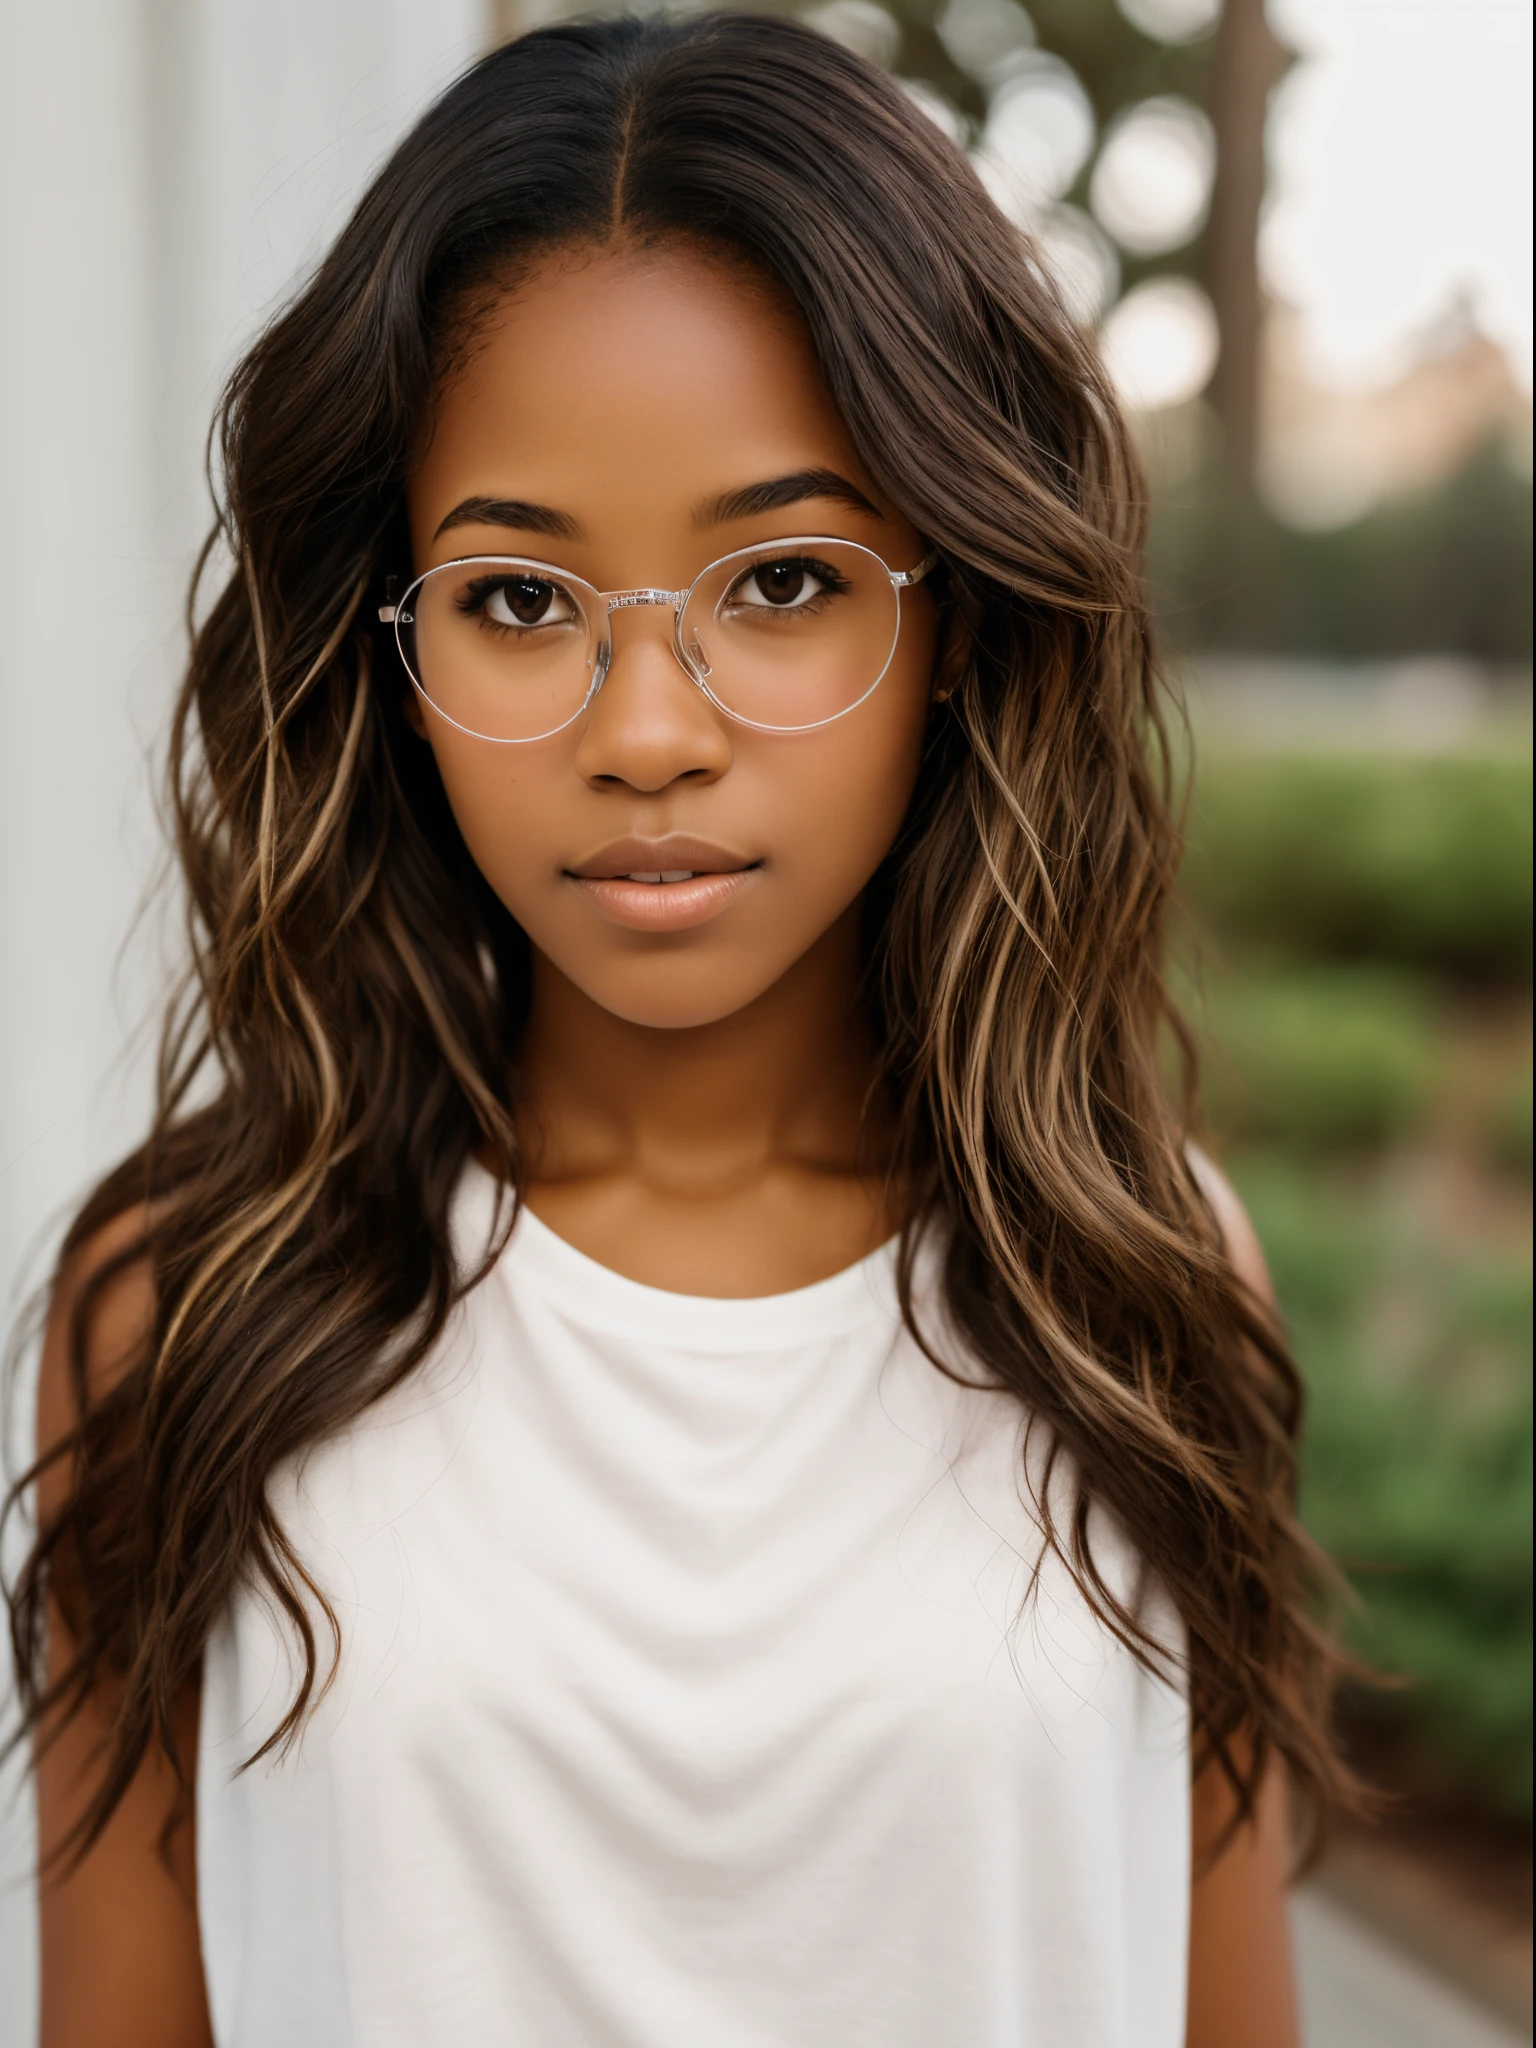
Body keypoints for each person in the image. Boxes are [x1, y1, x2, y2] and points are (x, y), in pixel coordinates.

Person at [8, 15, 1351, 2046]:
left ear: (961, 622)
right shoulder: (186, 1310)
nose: (646, 735)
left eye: (786, 579)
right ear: (395, 651)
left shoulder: (1142, 1290)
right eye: (522, 601)